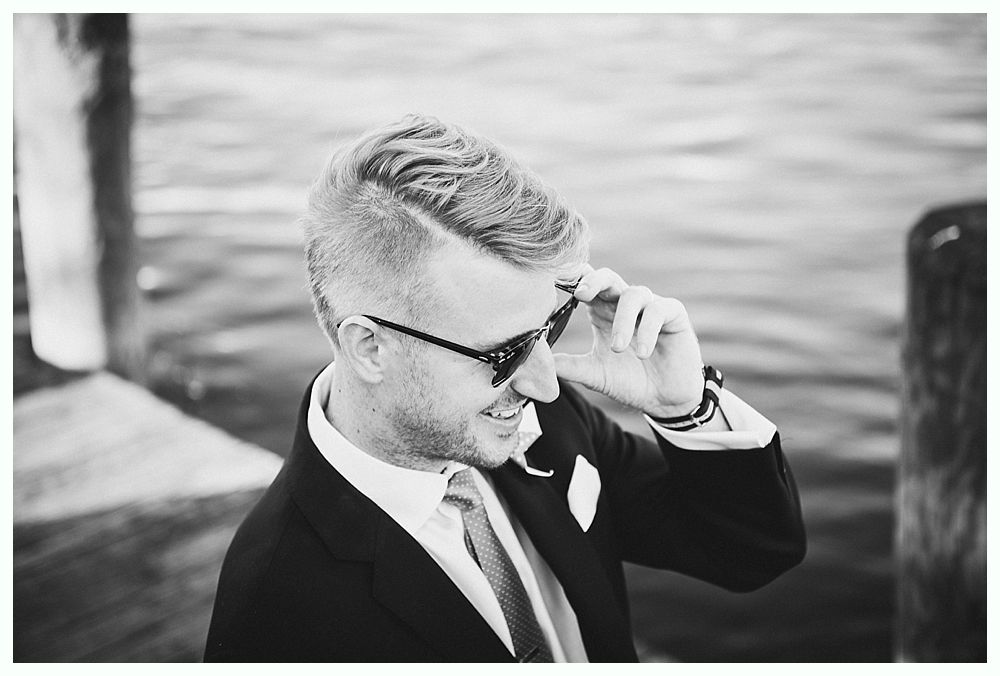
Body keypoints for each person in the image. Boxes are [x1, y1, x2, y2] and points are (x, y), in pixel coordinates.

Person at [204, 114, 806, 663]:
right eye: (504, 353)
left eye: (554, 325)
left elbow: (750, 552)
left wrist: (685, 409)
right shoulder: (278, 614)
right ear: (371, 348)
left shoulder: (541, 422)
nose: (545, 384)